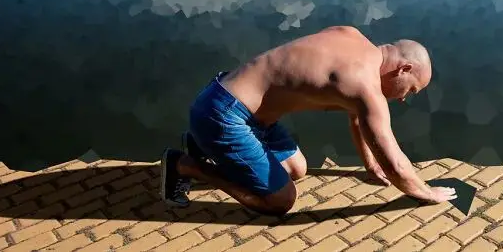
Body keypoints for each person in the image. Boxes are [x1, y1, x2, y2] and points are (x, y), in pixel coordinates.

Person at [159, 25, 456, 216]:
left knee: (296, 169)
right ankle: (185, 165)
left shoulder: (352, 37)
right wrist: (427, 192)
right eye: (411, 90)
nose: (405, 98)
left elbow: (358, 119)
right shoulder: (364, 86)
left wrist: (370, 165)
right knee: (280, 200)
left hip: (226, 97)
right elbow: (396, 163)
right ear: (403, 68)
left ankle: (201, 144)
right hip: (224, 115)